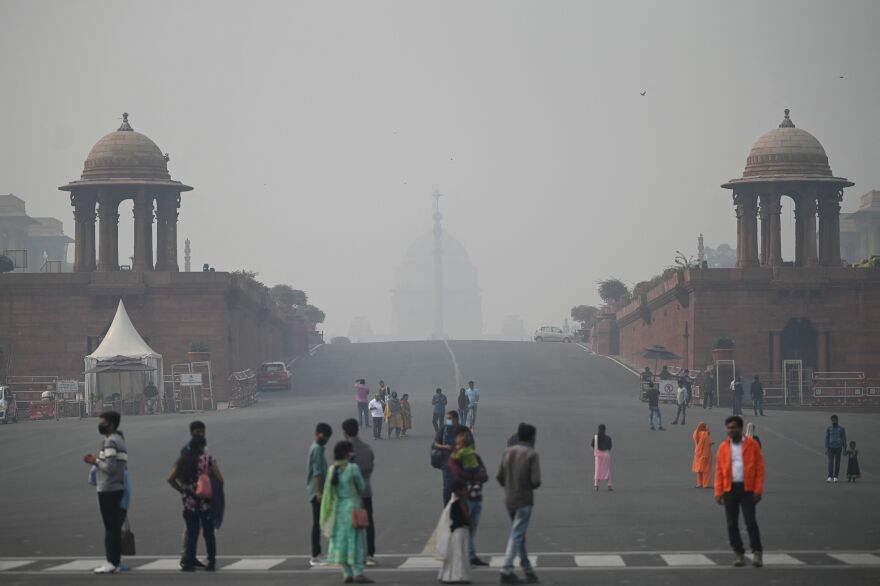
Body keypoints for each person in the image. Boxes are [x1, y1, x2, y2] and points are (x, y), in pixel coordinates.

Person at [167, 435, 224, 572]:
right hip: (205, 502)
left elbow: (170, 478)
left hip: (189, 502)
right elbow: (220, 479)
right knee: (208, 533)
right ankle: (211, 562)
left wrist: (183, 490)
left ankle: (189, 562)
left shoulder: (183, 461)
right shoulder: (208, 460)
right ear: (201, 446)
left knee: (192, 533)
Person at [320, 441, 373, 584]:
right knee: (356, 541)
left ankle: (347, 573)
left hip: (339, 510)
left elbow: (329, 493)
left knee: (341, 541)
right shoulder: (353, 468)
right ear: (348, 453)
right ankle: (359, 573)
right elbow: (362, 487)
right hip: (353, 508)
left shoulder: (332, 469)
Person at [714, 415, 764, 568]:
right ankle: (739, 553)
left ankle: (757, 552)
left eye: (733, 428)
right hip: (730, 489)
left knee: (750, 522)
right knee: (731, 524)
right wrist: (718, 492)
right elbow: (719, 471)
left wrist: (758, 490)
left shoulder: (752, 445)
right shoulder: (723, 447)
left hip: (747, 489)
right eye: (728, 428)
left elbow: (760, 469)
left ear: (741, 429)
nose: (730, 431)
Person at [82, 411, 128, 574]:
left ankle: (111, 561)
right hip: (116, 488)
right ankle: (114, 561)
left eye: (103, 422)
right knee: (113, 527)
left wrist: (94, 460)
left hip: (108, 489)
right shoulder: (119, 440)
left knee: (110, 528)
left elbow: (110, 467)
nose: (101, 424)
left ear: (112, 424)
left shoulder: (110, 442)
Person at [497, 423, 541, 585]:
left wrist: (510, 485)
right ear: (530, 437)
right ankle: (506, 569)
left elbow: (500, 477)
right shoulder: (531, 454)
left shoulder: (507, 452)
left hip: (509, 499)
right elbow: (535, 481)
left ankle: (528, 570)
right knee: (517, 534)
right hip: (524, 500)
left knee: (519, 534)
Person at [447, 429, 489, 567]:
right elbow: (457, 474)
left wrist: (475, 476)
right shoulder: (455, 458)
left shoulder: (474, 456)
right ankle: (466, 556)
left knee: (471, 529)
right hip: (465, 499)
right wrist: (475, 476)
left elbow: (485, 476)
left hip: (477, 497)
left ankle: (470, 555)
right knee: (464, 529)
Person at [343, 418, 378, 567]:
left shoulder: (345, 449)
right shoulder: (367, 448)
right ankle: (369, 553)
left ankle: (353, 553)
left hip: (351, 493)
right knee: (368, 522)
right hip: (366, 489)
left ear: (345, 432)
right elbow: (370, 467)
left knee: (351, 524)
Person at [435, 479, 472, 584]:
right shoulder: (456, 504)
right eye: (464, 490)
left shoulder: (456, 503)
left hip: (459, 531)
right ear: (457, 491)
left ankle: (451, 575)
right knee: (458, 553)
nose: (466, 492)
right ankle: (458, 575)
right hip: (458, 531)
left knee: (456, 553)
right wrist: (468, 522)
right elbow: (461, 518)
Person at [307, 422, 332, 566]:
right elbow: (317, 472)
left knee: (319, 522)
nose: (326, 439)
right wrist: (319, 492)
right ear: (317, 434)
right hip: (317, 492)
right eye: (324, 436)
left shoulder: (319, 447)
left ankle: (318, 553)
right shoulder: (317, 449)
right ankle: (315, 555)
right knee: (317, 523)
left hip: (319, 490)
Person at [433, 411, 471, 505]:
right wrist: (444, 447)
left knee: (462, 487)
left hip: (462, 464)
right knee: (447, 488)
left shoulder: (464, 430)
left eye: (450, 418)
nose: (448, 420)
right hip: (447, 464)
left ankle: (463, 510)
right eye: (447, 418)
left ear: (456, 419)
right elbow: (436, 443)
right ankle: (448, 509)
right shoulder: (444, 429)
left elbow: (471, 447)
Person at [825, 414, 847, 483]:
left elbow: (844, 438)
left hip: (838, 447)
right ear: (831, 420)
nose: (834, 421)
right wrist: (826, 447)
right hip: (830, 447)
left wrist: (844, 448)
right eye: (832, 420)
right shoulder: (829, 428)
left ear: (837, 420)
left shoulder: (841, 428)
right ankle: (829, 476)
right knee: (830, 462)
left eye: (835, 420)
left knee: (837, 462)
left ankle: (836, 476)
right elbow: (827, 438)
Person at [590, 424, 612, 491]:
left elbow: (592, 445)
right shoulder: (608, 438)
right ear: (605, 430)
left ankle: (596, 485)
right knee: (607, 470)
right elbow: (610, 447)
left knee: (597, 470)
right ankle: (609, 485)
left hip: (598, 456)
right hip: (606, 455)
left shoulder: (595, 437)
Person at [692, 422, 713, 488]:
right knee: (706, 470)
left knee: (698, 469)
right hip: (705, 454)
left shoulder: (696, 434)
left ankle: (699, 483)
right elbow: (708, 443)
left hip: (698, 454)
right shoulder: (705, 434)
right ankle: (705, 484)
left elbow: (697, 440)